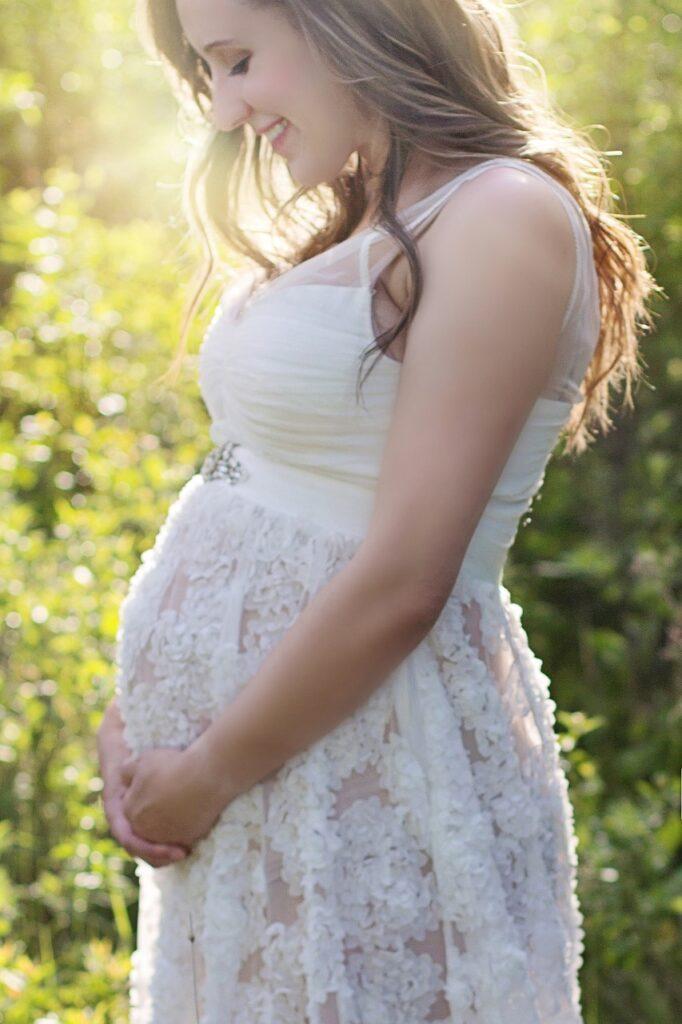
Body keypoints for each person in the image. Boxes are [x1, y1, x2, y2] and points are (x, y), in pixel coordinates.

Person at [96, 1, 658, 1021]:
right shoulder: (360, 212)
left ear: (351, 20)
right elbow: (246, 485)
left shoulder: (501, 214)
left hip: (365, 758)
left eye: (238, 62)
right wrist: (134, 716)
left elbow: (407, 574)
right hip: (257, 775)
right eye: (204, 75)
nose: (224, 110)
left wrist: (208, 770)